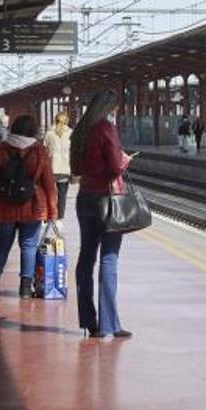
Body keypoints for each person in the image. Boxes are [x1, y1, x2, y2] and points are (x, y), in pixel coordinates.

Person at [70, 90, 134, 339]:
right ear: (109, 108)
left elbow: (75, 168)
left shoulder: (81, 130)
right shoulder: (105, 128)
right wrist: (125, 160)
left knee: (86, 258)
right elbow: (116, 165)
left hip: (84, 199)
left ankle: (89, 321)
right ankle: (110, 324)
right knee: (109, 259)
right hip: (107, 201)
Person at [0, 114, 57, 299]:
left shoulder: (0, 149)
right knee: (29, 246)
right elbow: (48, 183)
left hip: (3, 205)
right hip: (33, 206)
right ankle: (24, 288)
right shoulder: (39, 151)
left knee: (1, 247)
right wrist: (53, 211)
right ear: (34, 130)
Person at [45, 111, 73, 223]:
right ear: (66, 121)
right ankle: (60, 216)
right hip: (65, 168)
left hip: (51, 168)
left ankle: (50, 214)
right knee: (62, 194)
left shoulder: (49, 133)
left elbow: (45, 150)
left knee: (50, 193)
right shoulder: (71, 133)